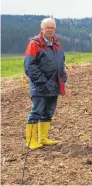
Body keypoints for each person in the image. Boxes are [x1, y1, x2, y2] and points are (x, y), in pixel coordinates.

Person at [24, 18, 67, 150]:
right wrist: (42, 82)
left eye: (52, 28)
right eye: (47, 27)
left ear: (55, 29)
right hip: (40, 86)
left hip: (54, 86)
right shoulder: (34, 44)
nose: (50, 30)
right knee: (36, 112)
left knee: (48, 112)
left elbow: (61, 64)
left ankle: (43, 138)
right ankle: (31, 141)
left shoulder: (57, 44)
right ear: (41, 29)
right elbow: (29, 66)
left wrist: (63, 78)